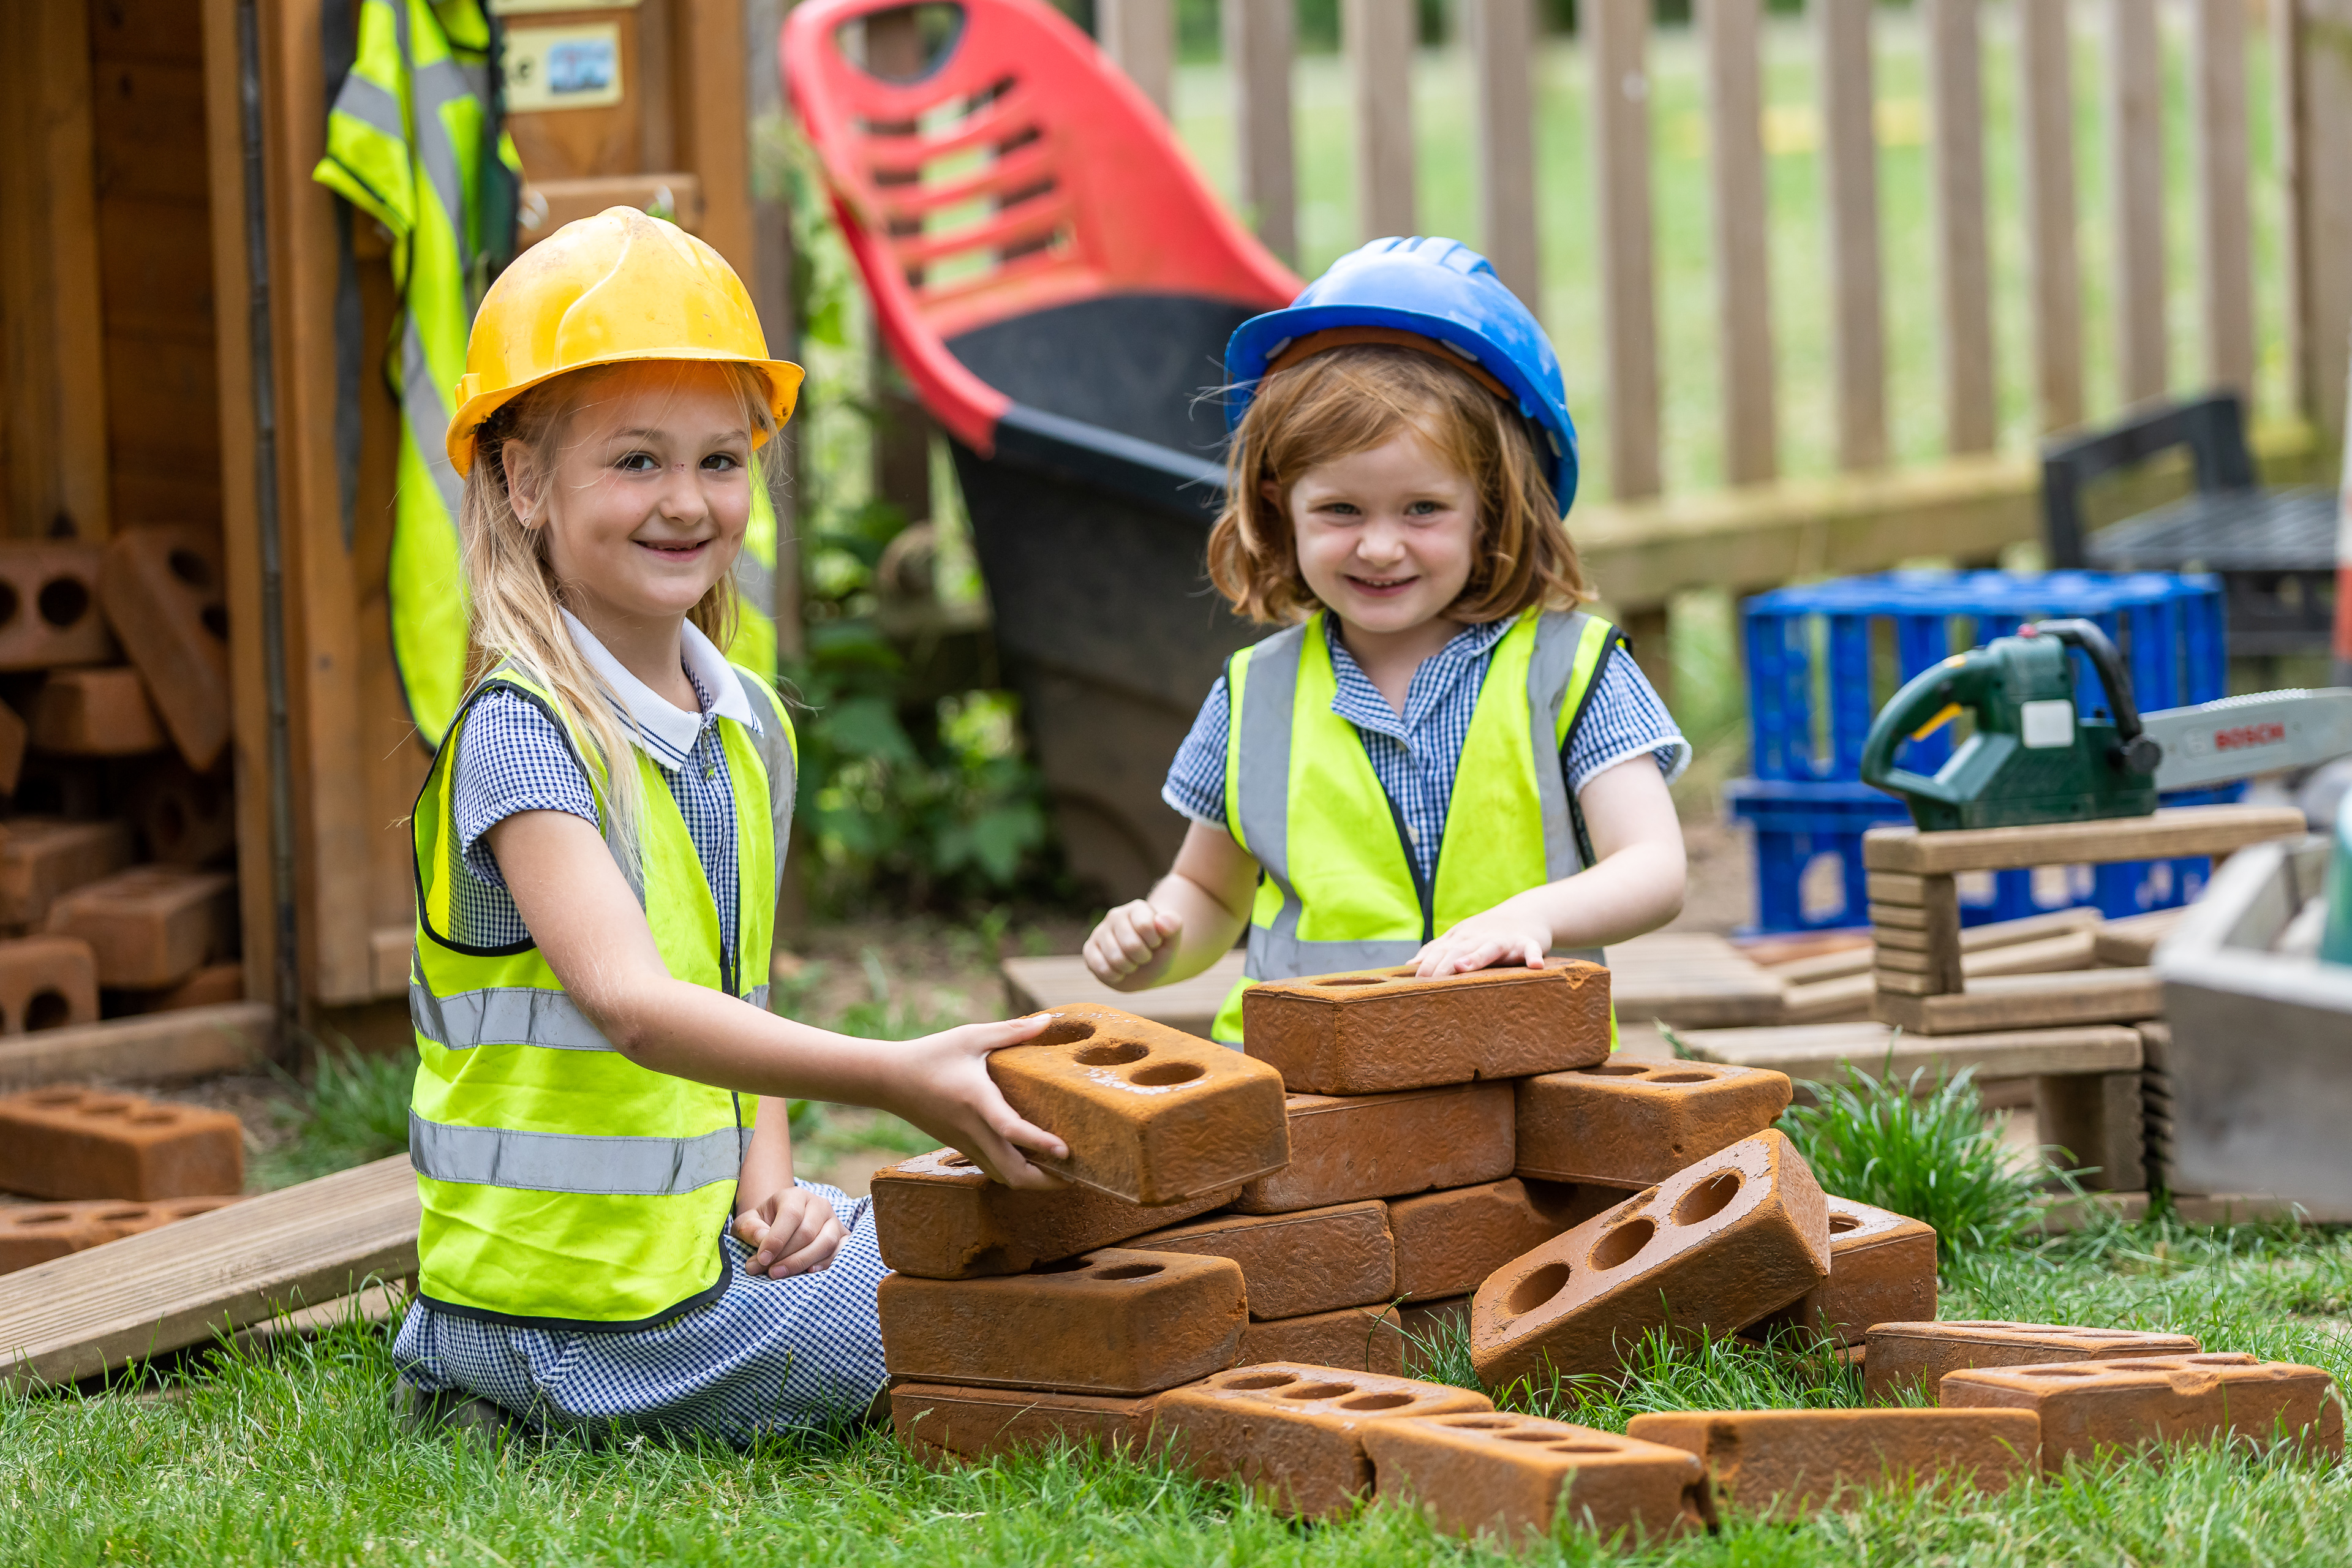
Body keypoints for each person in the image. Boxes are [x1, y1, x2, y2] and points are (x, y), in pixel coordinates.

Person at [391, 207, 1066, 1444]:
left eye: (720, 459)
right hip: (566, 1313)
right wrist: (892, 1075)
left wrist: (774, 1196)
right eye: (636, 461)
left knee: (979, 1227)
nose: (688, 502)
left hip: (695, 1262)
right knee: (960, 1292)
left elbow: (729, 991)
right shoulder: (522, 733)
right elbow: (639, 1006)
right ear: (524, 481)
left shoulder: (746, 719)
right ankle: (497, 1393)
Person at [1082, 237, 1689, 1042]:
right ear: (1280, 504)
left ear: (1495, 507)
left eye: (1423, 510)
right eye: (1340, 510)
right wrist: (1156, 944)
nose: (1378, 546)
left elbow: (1655, 868)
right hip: (1305, 1082)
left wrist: (1533, 918)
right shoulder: (1255, 693)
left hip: (1527, 1070)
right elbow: (1211, 894)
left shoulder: (1570, 671)